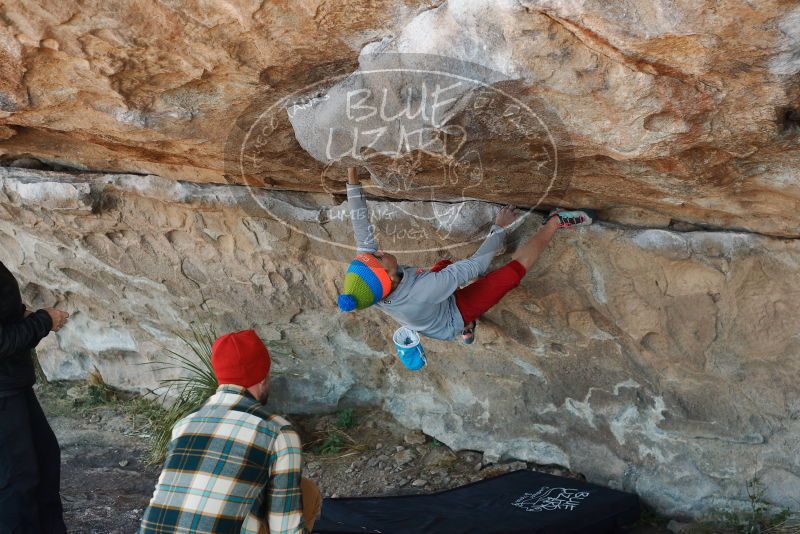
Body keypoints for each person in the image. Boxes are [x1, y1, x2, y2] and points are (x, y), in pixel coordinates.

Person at [338, 167, 595, 344]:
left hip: (430, 303)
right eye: (380, 257)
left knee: (447, 267)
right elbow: (478, 265)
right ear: (389, 279)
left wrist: (351, 178)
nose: (378, 252)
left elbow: (360, 225)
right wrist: (499, 228)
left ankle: (467, 324)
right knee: (510, 274)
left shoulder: (375, 283)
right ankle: (555, 222)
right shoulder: (424, 290)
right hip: (452, 316)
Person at [140, 329, 321, 534]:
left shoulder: (184, 424)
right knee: (307, 491)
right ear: (263, 377)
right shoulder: (277, 432)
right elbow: (285, 528)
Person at [0, 261, 70, 534]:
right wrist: (43, 321)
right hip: (3, 393)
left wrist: (22, 315)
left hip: (13, 385)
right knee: (17, 478)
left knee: (44, 459)